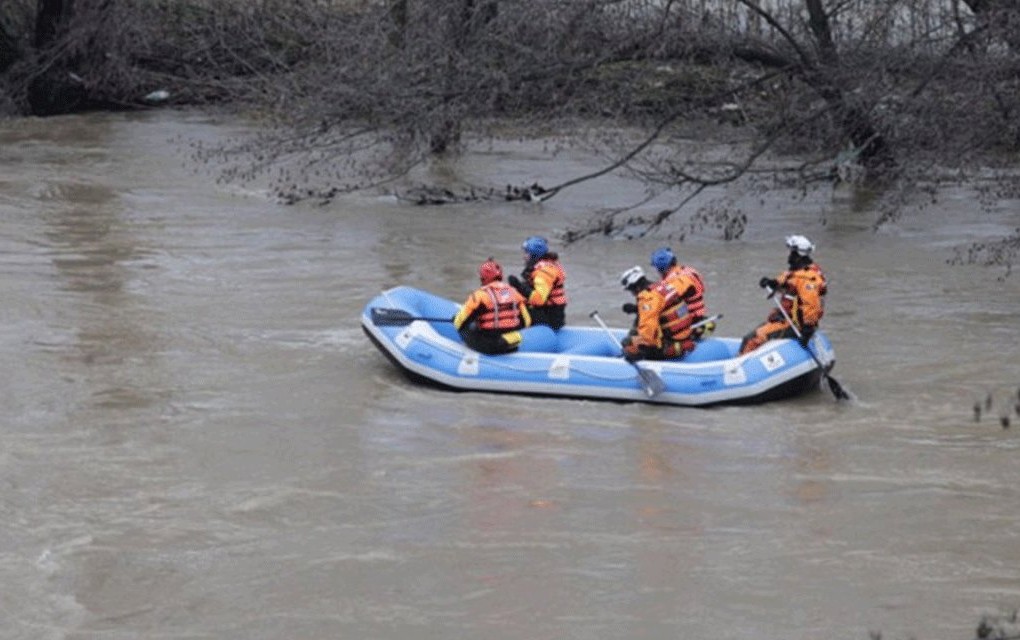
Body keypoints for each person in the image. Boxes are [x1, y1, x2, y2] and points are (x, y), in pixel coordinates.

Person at [738, 234, 828, 355]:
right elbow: (783, 282)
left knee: (753, 338)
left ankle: (739, 367)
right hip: (786, 319)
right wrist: (771, 283)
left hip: (795, 325)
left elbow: (811, 305)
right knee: (753, 334)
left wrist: (807, 331)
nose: (789, 256)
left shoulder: (807, 279)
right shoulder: (798, 273)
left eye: (792, 253)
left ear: (798, 255)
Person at [618, 265, 701, 362]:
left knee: (627, 343)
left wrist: (636, 349)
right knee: (636, 331)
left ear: (635, 287)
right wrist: (637, 309)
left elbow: (648, 333)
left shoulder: (648, 298)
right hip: (685, 335)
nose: (632, 294)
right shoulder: (662, 287)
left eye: (630, 290)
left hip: (670, 344)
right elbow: (660, 309)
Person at [453, 258, 532, 355]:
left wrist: (456, 319)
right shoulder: (514, 292)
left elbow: (459, 322)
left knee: (464, 328)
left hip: (492, 346)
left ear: (483, 278)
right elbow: (527, 321)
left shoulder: (479, 296)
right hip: (513, 342)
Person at [508, 235, 568, 330]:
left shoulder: (543, 273)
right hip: (548, 313)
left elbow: (539, 299)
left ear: (534, 255)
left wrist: (518, 286)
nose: (524, 257)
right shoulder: (543, 267)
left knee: (512, 313)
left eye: (526, 253)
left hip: (550, 318)